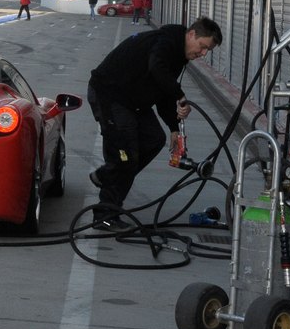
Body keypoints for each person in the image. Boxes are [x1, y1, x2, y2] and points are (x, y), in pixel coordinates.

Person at [87, 17, 223, 226]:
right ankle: (105, 213)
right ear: (192, 34)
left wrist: (174, 128)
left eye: (207, 51)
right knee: (124, 154)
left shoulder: (178, 55)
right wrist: (180, 95)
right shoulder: (166, 42)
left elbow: (163, 92)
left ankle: (107, 174)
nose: (202, 53)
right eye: (202, 47)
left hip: (131, 101)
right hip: (109, 94)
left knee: (153, 139)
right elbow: (156, 67)